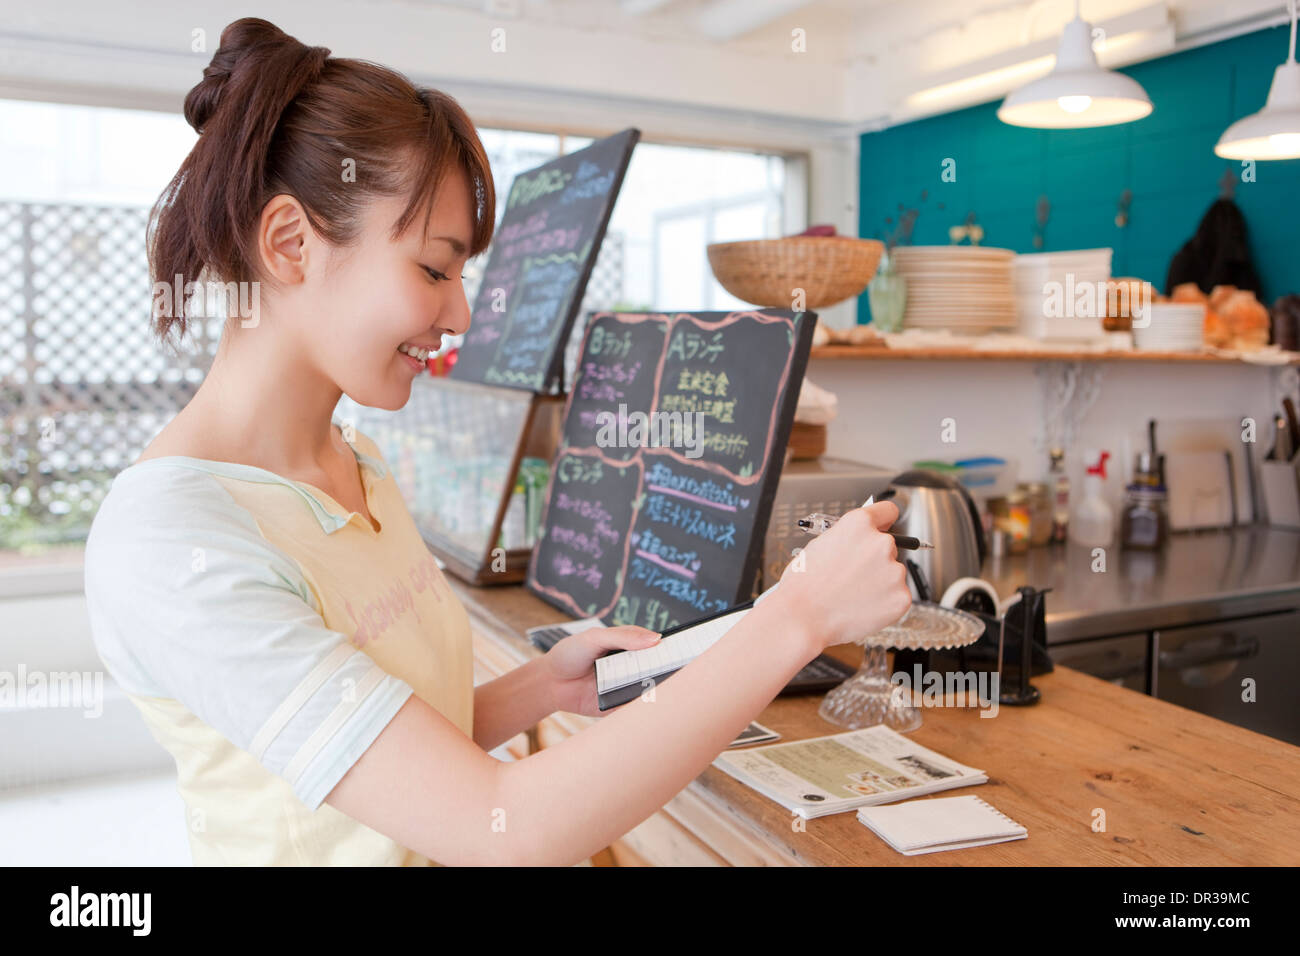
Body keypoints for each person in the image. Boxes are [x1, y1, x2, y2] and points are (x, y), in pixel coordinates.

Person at [83, 17, 912, 866]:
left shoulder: (352, 464)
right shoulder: (173, 539)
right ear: (291, 243)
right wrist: (798, 617)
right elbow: (500, 828)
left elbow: (380, 746)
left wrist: (542, 689)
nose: (462, 316)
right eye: (435, 270)